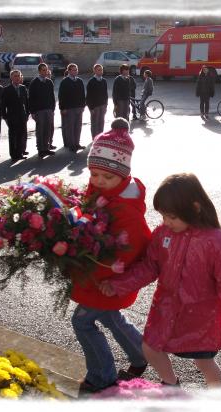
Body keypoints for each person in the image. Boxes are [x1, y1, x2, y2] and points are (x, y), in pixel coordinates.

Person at [99, 172, 221, 387]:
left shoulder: (219, 242)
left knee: (204, 362)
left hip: (199, 317)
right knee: (150, 348)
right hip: (166, 308)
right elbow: (150, 265)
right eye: (163, 216)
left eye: (172, 217)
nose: (166, 222)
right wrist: (119, 284)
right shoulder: (163, 234)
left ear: (195, 208)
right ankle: (170, 385)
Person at [69, 118, 151, 395]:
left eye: (107, 177)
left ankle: (102, 375)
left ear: (123, 175)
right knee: (110, 317)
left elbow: (135, 248)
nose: (99, 182)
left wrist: (112, 279)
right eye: (94, 175)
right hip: (97, 274)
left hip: (107, 279)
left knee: (82, 321)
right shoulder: (100, 192)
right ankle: (141, 355)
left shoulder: (126, 209)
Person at [1, 70, 29, 161]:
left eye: (18, 76)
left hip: (22, 116)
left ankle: (20, 153)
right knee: (13, 136)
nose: (17, 78)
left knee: (21, 135)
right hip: (12, 117)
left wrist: (27, 114)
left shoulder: (23, 88)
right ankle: (13, 155)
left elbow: (27, 102)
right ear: (11, 78)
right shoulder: (6, 89)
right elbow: (3, 105)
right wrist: (5, 117)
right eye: (15, 76)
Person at [28, 63, 56, 158]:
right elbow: (31, 98)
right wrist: (32, 112)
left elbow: (52, 97)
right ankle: (40, 149)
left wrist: (52, 109)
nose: (45, 71)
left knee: (48, 130)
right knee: (40, 131)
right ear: (39, 71)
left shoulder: (49, 82)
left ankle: (46, 148)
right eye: (43, 70)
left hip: (49, 110)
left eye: (46, 70)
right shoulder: (34, 83)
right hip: (39, 111)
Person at [58, 63, 86, 152]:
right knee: (70, 127)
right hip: (69, 109)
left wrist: (83, 106)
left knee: (78, 126)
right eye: (73, 70)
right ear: (69, 71)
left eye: (76, 70)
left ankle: (77, 143)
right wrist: (63, 108)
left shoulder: (79, 81)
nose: (75, 71)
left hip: (79, 108)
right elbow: (61, 96)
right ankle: (72, 144)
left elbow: (82, 95)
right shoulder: (64, 82)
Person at [86, 64, 108, 139]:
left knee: (101, 122)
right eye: (98, 70)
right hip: (95, 106)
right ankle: (94, 138)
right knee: (95, 123)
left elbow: (106, 94)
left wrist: (106, 105)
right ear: (94, 71)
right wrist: (91, 108)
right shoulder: (91, 81)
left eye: (101, 70)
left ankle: (100, 137)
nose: (100, 71)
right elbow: (88, 97)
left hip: (102, 105)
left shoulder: (104, 81)